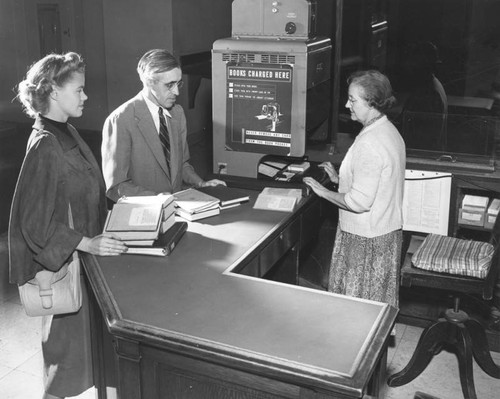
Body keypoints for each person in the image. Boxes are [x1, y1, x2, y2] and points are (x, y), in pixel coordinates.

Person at [9, 52, 128, 399]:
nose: (85, 96)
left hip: (81, 262)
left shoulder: (67, 131)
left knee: (86, 356)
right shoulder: (47, 144)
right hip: (67, 266)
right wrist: (88, 243)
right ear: (54, 92)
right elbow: (34, 223)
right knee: (65, 362)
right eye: (78, 90)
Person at [304, 70, 406, 308]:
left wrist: (323, 191)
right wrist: (341, 179)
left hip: (365, 240)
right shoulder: (387, 130)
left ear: (372, 103)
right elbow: (379, 183)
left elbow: (359, 203)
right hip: (384, 234)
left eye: (353, 99)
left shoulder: (369, 142)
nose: (346, 104)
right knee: (374, 309)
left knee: (355, 312)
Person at [102, 49, 225, 202]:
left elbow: (182, 165)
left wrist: (201, 183)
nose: (176, 92)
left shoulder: (177, 113)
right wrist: (156, 199)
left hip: (176, 209)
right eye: (169, 85)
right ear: (149, 82)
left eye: (178, 83)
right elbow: (116, 186)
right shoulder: (121, 120)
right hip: (143, 213)